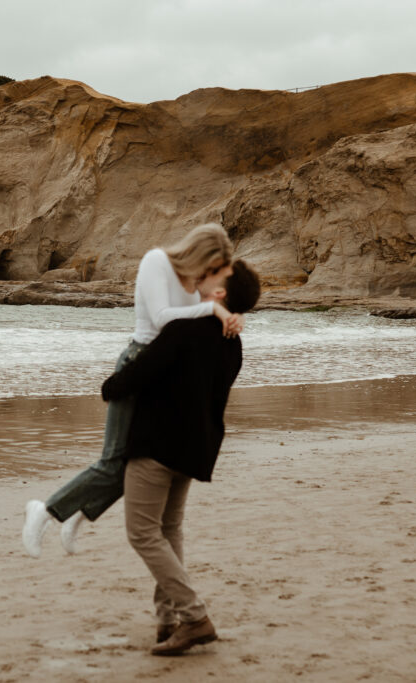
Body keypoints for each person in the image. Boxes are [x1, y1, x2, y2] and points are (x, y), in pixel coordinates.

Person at [22, 223, 243, 557]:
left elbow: (195, 322)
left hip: (167, 369)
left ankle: (80, 514)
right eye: (212, 268)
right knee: (115, 461)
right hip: (140, 361)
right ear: (202, 255)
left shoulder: (196, 280)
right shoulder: (157, 261)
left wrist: (231, 317)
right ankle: (46, 510)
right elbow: (163, 319)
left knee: (142, 459)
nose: (210, 277)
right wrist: (213, 309)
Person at [102, 259, 261, 656]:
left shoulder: (182, 331)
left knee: (142, 532)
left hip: (158, 445)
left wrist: (111, 381)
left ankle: (194, 617)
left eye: (213, 273)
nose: (203, 274)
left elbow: (124, 385)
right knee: (168, 530)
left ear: (219, 292)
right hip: (196, 448)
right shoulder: (232, 339)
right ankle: (167, 620)